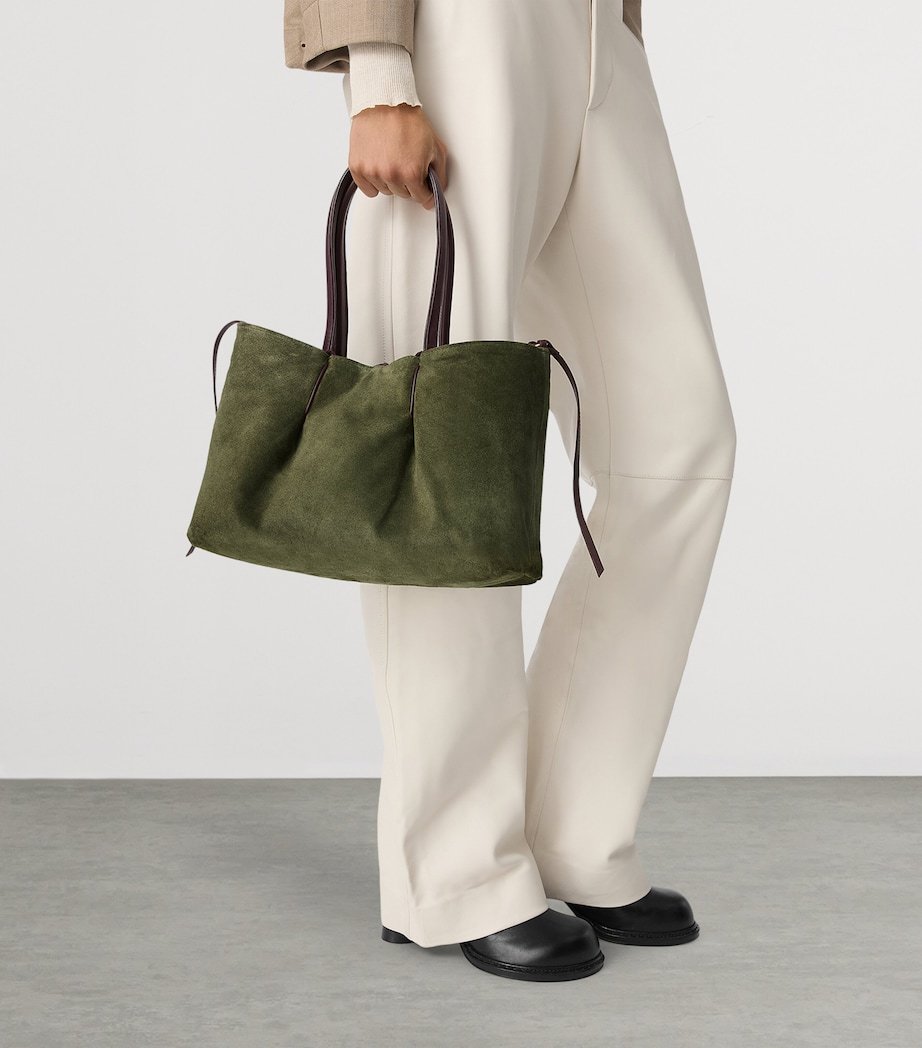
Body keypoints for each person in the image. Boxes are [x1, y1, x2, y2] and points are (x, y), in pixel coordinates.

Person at [283, 0, 737, 983]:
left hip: (597, 40)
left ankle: (574, 834)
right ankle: (454, 873)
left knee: (677, 444)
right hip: (460, 35)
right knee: (443, 456)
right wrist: (379, 76)